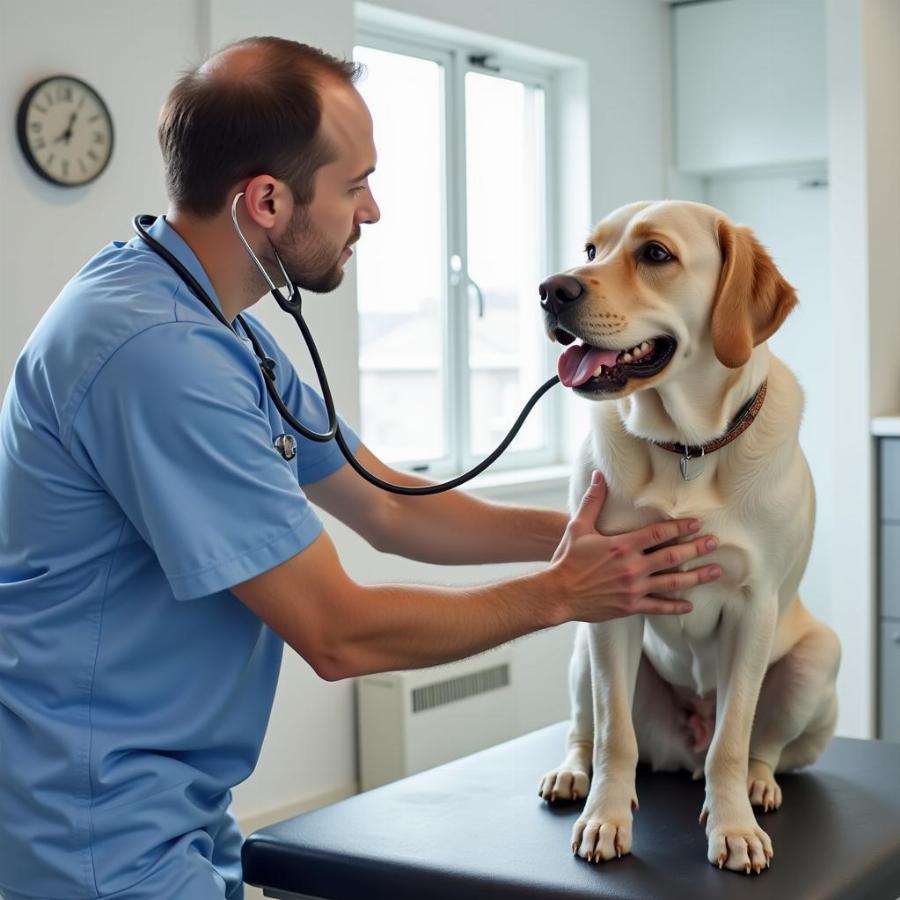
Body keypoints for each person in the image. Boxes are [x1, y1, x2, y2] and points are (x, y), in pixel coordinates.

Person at [0, 36, 722, 900]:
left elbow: (391, 505)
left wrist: (605, 534)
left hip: (170, 805)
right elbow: (338, 633)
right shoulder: (158, 356)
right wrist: (563, 593)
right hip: (85, 828)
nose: (372, 212)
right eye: (355, 186)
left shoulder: (214, 325)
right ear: (266, 200)